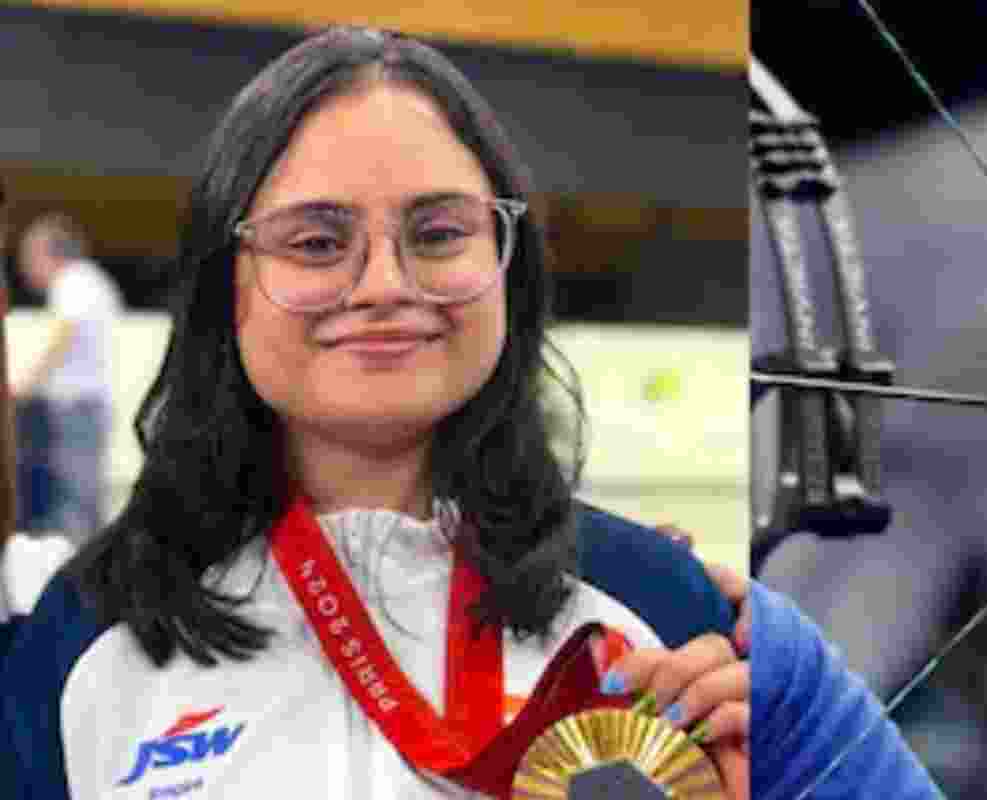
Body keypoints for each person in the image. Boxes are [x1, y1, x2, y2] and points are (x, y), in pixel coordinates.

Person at [0, 28, 749, 799]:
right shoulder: (86, 632)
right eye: (319, 242)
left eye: (438, 233)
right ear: (225, 286)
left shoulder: (659, 604)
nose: (386, 284)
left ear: (507, 264)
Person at [11, 212, 122, 541]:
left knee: (73, 500)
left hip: (75, 409)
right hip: (86, 408)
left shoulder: (73, 282)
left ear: (48, 254)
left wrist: (25, 385)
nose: (25, 269)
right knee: (81, 497)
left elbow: (63, 337)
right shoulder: (92, 281)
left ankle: (78, 580)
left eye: (29, 257)